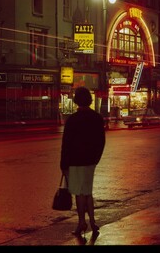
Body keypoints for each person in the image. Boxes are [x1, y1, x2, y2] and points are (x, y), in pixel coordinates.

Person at [60, 87, 106, 242]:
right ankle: (92, 222)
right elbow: (101, 141)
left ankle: (81, 223)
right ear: (90, 100)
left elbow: (66, 144)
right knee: (87, 192)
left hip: (75, 161)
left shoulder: (72, 120)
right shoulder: (97, 118)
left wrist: (64, 164)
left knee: (80, 193)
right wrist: (96, 158)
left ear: (76, 101)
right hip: (90, 161)